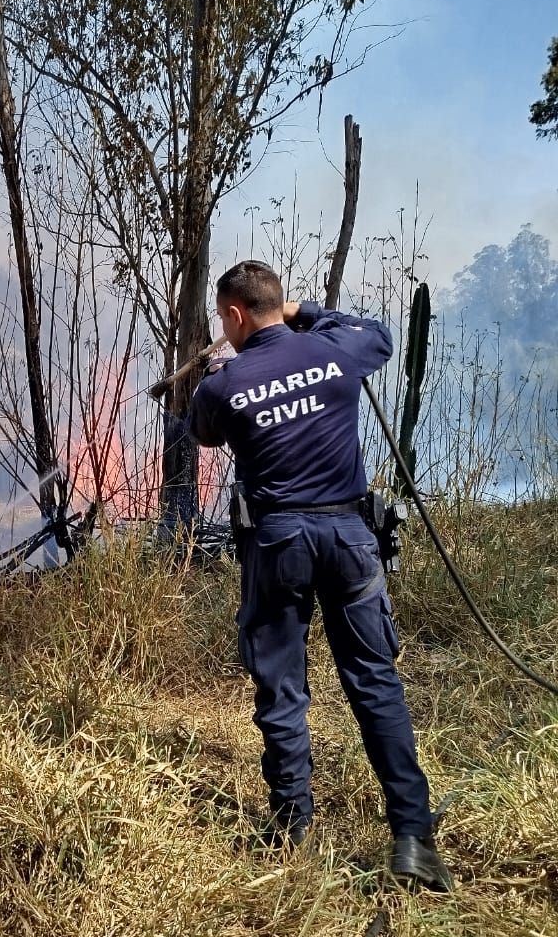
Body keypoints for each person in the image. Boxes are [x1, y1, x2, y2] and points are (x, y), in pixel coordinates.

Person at [188, 260, 453, 892]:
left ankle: (290, 827)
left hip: (279, 543)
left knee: (282, 688)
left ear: (233, 315)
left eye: (225, 319)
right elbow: (380, 336)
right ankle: (413, 839)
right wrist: (304, 313)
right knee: (375, 683)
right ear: (278, 304)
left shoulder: (225, 384)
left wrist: (220, 375)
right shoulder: (336, 351)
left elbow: (203, 434)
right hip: (350, 540)